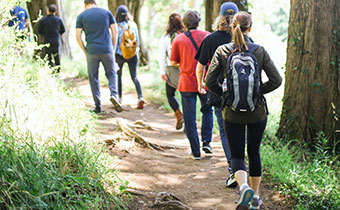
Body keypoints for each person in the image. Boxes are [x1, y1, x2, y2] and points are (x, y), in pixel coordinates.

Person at [206, 11, 282, 210]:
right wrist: (258, 92)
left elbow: (209, 81)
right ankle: (255, 198)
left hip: (232, 113)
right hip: (257, 112)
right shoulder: (259, 50)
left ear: (232, 27)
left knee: (237, 155)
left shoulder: (223, 51)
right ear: (251, 28)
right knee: (254, 152)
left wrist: (226, 95)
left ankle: (244, 187)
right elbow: (277, 80)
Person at [195, 2, 238, 187]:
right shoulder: (245, 39)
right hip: (242, 93)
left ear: (219, 18)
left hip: (219, 92)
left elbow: (200, 66)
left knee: (225, 132)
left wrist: (200, 84)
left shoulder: (211, 39)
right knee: (241, 130)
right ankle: (242, 167)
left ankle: (234, 170)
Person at [170, 10, 213, 160]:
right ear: (198, 21)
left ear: (184, 23)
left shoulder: (179, 39)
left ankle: (195, 151)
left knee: (189, 118)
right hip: (205, 81)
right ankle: (207, 142)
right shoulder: (208, 36)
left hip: (187, 83)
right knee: (207, 111)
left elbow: (173, 61)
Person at [76, 0, 123, 114]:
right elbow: (115, 31)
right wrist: (112, 48)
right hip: (107, 49)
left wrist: (85, 50)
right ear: (95, 3)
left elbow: (78, 37)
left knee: (94, 78)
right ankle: (114, 95)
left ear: (85, 5)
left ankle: (98, 106)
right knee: (112, 74)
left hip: (91, 51)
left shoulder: (81, 16)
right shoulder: (106, 13)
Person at [158, 13, 185, 130]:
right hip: (186, 69)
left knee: (170, 94)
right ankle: (188, 121)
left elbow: (161, 56)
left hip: (172, 70)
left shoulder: (165, 38)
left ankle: (179, 114)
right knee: (186, 96)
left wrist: (162, 72)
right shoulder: (186, 35)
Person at [115, 5, 144, 109]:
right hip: (133, 54)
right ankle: (140, 97)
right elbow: (138, 42)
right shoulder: (133, 25)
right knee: (134, 76)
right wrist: (136, 51)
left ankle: (119, 98)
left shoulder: (116, 26)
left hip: (119, 55)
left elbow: (115, 42)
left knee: (118, 76)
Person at [38, 4, 65, 73]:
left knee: (48, 57)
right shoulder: (58, 20)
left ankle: (51, 69)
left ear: (48, 10)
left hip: (47, 40)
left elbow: (39, 31)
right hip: (56, 40)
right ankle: (58, 71)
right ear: (55, 11)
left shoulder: (43, 20)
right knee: (56, 56)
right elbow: (63, 30)